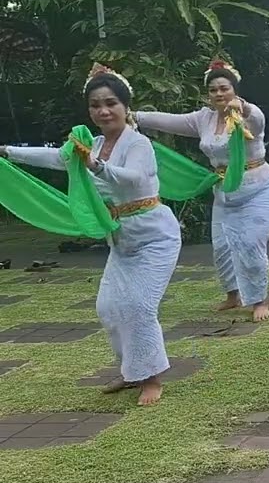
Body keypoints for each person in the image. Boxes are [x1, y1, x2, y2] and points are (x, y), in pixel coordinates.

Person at [1, 65, 181, 406]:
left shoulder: (138, 143)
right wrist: (8, 151)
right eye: (95, 105)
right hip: (121, 239)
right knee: (109, 307)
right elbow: (58, 157)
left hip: (156, 237)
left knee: (140, 307)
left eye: (111, 103)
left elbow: (134, 178)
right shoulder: (93, 144)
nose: (103, 111)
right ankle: (134, 371)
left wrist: (95, 165)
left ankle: (152, 379)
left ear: (126, 108)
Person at [135, 59, 269, 322]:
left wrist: (244, 108)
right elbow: (169, 121)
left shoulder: (247, 114)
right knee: (222, 246)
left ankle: (259, 300)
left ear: (234, 89)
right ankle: (233, 295)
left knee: (250, 243)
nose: (219, 94)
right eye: (213, 90)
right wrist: (134, 116)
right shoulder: (204, 119)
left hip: (260, 187)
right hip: (225, 189)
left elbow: (257, 120)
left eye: (224, 88)